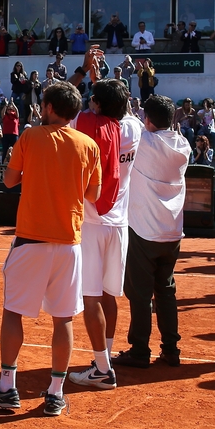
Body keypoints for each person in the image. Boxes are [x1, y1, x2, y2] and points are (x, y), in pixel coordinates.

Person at [0, 81, 101, 416]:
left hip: (31, 240)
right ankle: (55, 393)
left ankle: (6, 387)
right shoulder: (88, 145)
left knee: (14, 311)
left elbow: (9, 180)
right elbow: (94, 195)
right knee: (64, 319)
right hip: (69, 243)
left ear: (48, 107)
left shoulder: (30, 137)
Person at [68, 79, 141, 391]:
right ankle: (105, 358)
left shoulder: (86, 125)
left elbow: (65, 107)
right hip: (119, 224)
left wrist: (86, 75)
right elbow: (119, 109)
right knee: (110, 295)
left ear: (96, 105)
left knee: (91, 296)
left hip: (92, 222)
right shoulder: (135, 129)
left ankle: (101, 368)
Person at [114, 95, 189, 368]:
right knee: (166, 291)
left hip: (144, 230)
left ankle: (140, 350)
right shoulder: (183, 144)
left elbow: (126, 122)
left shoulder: (145, 142)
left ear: (148, 119)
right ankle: (171, 349)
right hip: (171, 232)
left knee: (140, 294)